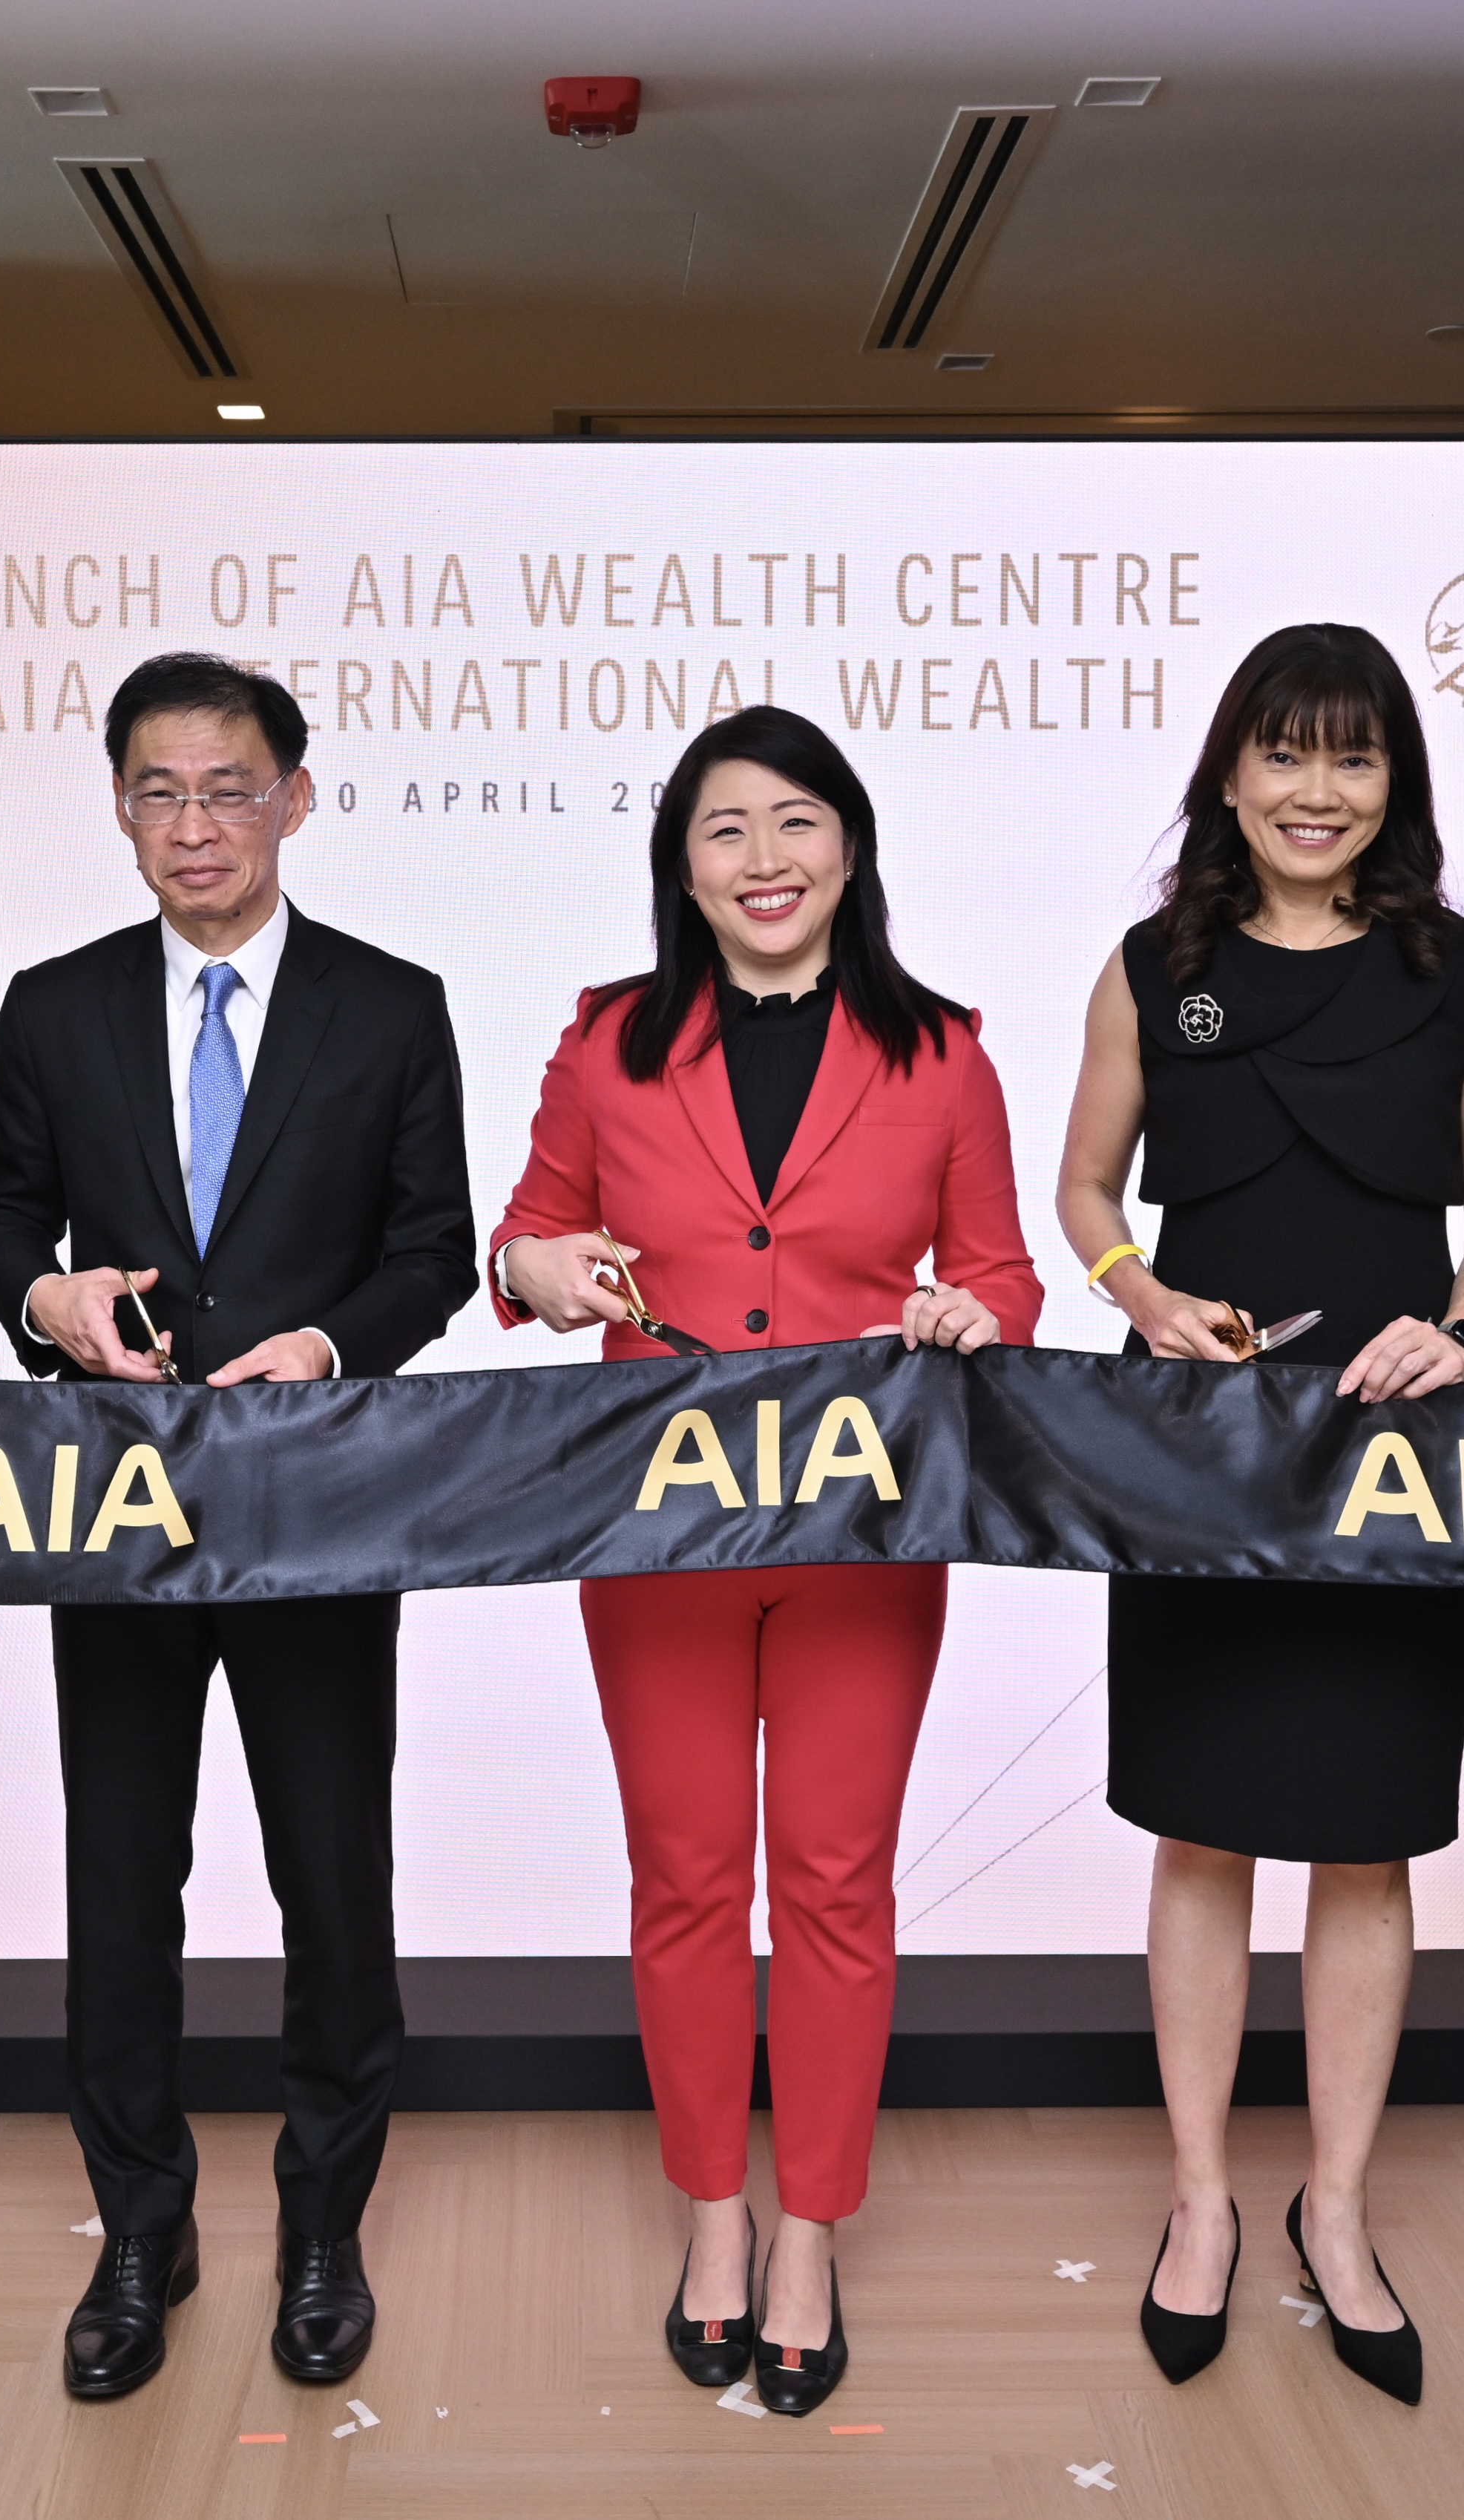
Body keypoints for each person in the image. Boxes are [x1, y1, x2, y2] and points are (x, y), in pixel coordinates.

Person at [490, 704, 1042, 2420]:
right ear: (680, 864)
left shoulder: (942, 1052)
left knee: (831, 1881)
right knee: (681, 1881)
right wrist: (544, 1273)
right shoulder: (604, 1043)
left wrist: (969, 1313)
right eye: (722, 830)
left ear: (851, 847)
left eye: (794, 823)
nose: (762, 861)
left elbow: (1008, 1275)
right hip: (652, 1518)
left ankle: (810, 2227)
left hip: (861, 1525)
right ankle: (709, 2221)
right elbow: (517, 1237)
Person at [0, 652, 474, 2400]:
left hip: (321, 1508)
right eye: (159, 792)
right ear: (117, 807)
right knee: (121, 1884)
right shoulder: (52, 1002)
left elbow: (432, 1247)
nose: (194, 825)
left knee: (332, 1883)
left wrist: (324, 1347)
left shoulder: (391, 1005)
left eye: (228, 788)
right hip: (112, 1508)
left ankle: (321, 2227)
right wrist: (53, 1299)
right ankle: (138, 2228)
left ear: (295, 799)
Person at [1054, 624, 1464, 2407]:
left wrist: (1462, 1330)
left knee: (1364, 1838)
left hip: (1392, 1452)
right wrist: (1136, 1293)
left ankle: (1335, 2213)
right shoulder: (1148, 966)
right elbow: (1084, 1182)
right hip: (1195, 1447)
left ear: (1391, 780)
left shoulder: (1462, 969)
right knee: (1198, 1831)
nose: (1312, 792)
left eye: (1348, 758)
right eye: (1280, 755)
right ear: (1227, 774)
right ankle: (1199, 2204)